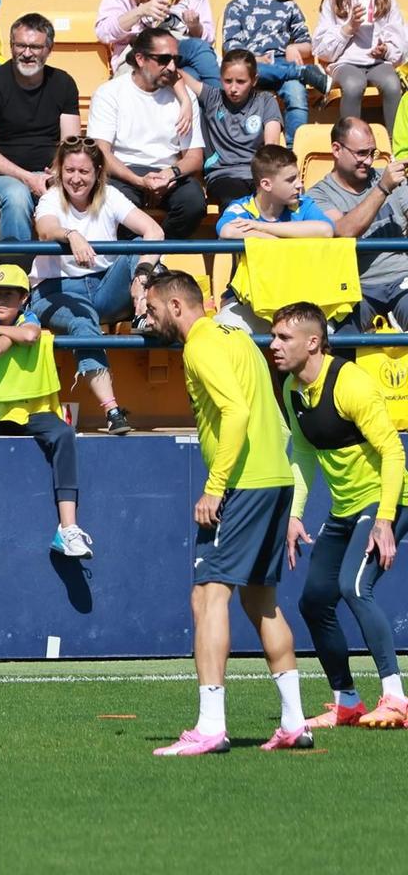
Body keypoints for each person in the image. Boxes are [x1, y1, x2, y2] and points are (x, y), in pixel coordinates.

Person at [144, 269, 312, 756]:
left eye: (153, 310)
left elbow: (235, 412)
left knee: (207, 595)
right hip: (272, 479)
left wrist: (215, 488)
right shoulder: (237, 336)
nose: (149, 319)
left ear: (177, 306)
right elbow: (268, 417)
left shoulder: (200, 345)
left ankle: (211, 725)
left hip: (240, 484)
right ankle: (294, 722)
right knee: (261, 600)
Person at [268, 302, 408, 731]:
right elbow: (305, 454)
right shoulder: (292, 388)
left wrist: (385, 520)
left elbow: (393, 451)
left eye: (283, 338)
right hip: (344, 509)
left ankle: (397, 698)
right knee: (313, 601)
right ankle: (346, 700)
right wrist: (294, 516)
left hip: (386, 501)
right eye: (273, 336)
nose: (273, 345)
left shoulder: (351, 384)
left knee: (354, 586)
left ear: (313, 342)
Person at [0, 264, 89, 564]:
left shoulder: (31, 318)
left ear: (24, 298)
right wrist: (10, 333)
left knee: (64, 434)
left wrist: (1, 331)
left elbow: (30, 335)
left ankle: (68, 528)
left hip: (31, 409)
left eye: (7, 295)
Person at [30, 135, 162, 433]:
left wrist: (141, 273)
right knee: (82, 320)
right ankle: (113, 411)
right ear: (59, 171)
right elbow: (46, 228)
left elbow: (153, 230)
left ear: (97, 173)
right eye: (70, 171)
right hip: (56, 290)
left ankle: (143, 305)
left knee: (141, 250)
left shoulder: (110, 196)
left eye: (84, 172)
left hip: (104, 288)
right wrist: (71, 235)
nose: (76, 179)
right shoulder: (50, 199)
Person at [0, 14, 79, 245]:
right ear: (11, 46)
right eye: (21, 45)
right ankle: (15, 272)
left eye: (35, 47)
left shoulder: (63, 83)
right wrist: (27, 178)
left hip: (48, 174)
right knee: (16, 194)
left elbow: (71, 143)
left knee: (83, 186)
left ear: (49, 49)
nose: (27, 53)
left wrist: (58, 173)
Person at [89, 27, 207, 241]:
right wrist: (139, 181)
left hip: (169, 172)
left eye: (175, 59)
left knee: (194, 202)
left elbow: (194, 157)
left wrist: (170, 174)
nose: (171, 67)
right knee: (114, 202)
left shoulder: (184, 99)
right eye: (163, 59)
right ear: (140, 59)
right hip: (124, 171)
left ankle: (155, 258)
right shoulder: (109, 93)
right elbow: (102, 153)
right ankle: (132, 263)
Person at [214, 143, 334, 335]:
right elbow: (227, 230)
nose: (300, 184)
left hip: (297, 301)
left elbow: (326, 229)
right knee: (223, 332)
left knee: (326, 332)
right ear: (266, 184)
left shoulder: (303, 205)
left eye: (298, 177)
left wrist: (262, 227)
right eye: (291, 180)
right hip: (249, 304)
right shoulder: (243, 208)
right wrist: (277, 242)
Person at [223, 0, 325, 145]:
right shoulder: (237, 6)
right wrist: (256, 58)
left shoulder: (288, 6)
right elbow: (231, 47)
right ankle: (299, 72)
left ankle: (294, 149)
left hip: (281, 62)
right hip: (253, 66)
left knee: (296, 93)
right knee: (253, 70)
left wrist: (293, 46)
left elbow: (307, 44)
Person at [310, 117, 408, 332]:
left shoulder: (391, 178)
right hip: (356, 288)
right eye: (361, 153)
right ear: (337, 149)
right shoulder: (318, 195)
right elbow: (343, 231)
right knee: (339, 340)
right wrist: (382, 189)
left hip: (402, 278)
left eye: (372, 153)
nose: (369, 161)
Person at [314, 0, 407, 138]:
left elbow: (398, 40)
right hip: (345, 63)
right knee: (354, 85)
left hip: (376, 63)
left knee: (392, 85)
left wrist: (386, 49)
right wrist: (349, 27)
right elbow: (321, 49)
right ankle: (349, 142)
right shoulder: (334, 1)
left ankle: (396, 145)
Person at [199, 51, 285, 210]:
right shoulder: (212, 97)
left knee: (286, 199)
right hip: (224, 176)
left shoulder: (265, 101)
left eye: (240, 81)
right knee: (238, 204)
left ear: (254, 80)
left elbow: (272, 145)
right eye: (227, 81)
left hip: (257, 174)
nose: (233, 88)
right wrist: (184, 99)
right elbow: (179, 77)